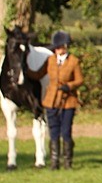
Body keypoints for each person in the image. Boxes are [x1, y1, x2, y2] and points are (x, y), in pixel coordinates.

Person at [28, 30, 83, 170]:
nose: (58, 50)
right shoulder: (50, 60)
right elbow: (38, 74)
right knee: (53, 131)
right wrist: (25, 71)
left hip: (67, 100)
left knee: (65, 131)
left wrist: (69, 86)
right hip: (51, 100)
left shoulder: (74, 61)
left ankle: (67, 162)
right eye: (56, 47)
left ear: (65, 46)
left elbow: (79, 80)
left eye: (60, 47)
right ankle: (54, 162)